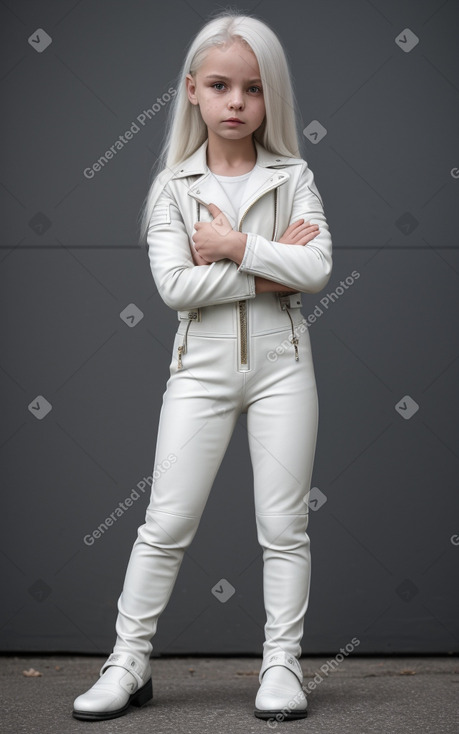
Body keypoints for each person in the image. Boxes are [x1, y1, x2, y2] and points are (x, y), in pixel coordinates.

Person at [72, 8, 333, 723]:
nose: (236, 102)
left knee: (284, 528)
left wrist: (231, 246)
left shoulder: (293, 174)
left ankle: (281, 664)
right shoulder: (171, 187)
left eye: (251, 88)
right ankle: (127, 663)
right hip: (200, 373)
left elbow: (319, 265)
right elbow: (175, 288)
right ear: (192, 90)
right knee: (164, 523)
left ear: (268, 96)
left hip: (284, 367)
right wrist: (271, 263)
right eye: (220, 86)